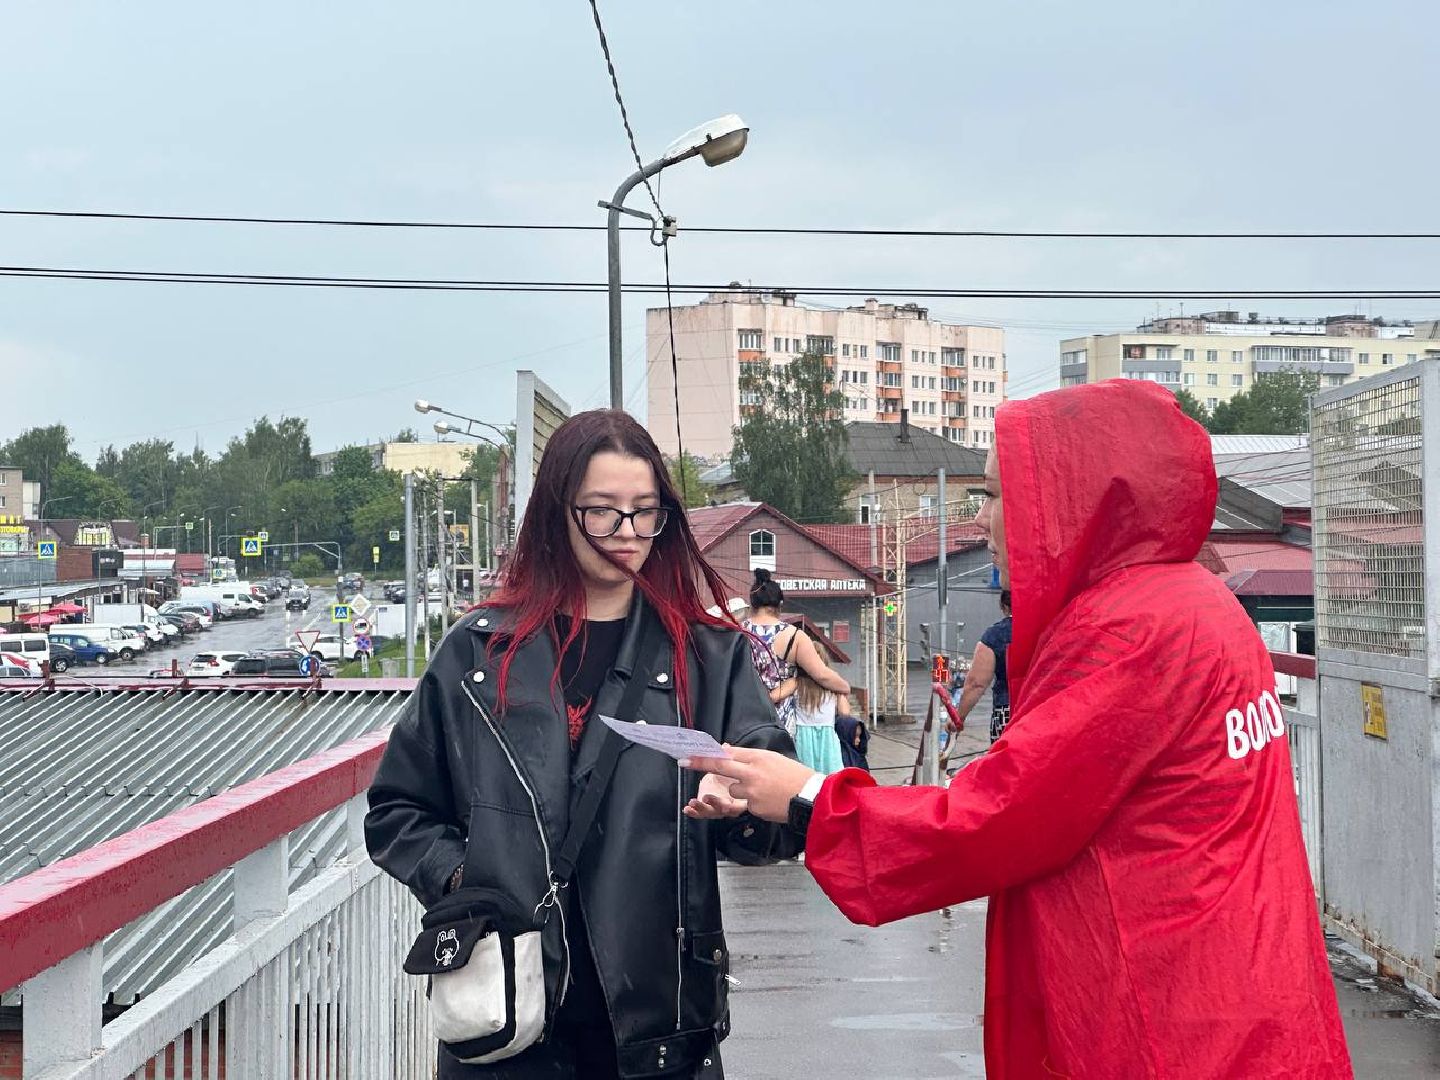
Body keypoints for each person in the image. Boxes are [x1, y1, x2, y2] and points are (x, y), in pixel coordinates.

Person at [683, 380, 1352, 1078]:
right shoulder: (1197, 603)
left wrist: (809, 796)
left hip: (1164, 1018)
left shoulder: (1128, 629)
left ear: (1077, 500)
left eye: (1000, 497)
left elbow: (1001, 815)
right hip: (1239, 989)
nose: (988, 522)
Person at [366, 409, 801, 1079]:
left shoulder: (708, 657)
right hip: (506, 1020)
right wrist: (466, 878)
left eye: (644, 512)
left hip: (660, 1025)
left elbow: (774, 807)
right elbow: (398, 809)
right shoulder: (479, 655)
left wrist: (742, 800)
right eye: (602, 512)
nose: (627, 535)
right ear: (556, 514)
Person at [741, 569, 849, 730]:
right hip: (782, 723)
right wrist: (844, 687)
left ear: (752, 603)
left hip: (742, 717)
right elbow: (821, 675)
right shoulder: (795, 636)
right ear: (780, 604)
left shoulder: (735, 631)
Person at [949, 590, 1012, 743]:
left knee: (1005, 764)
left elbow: (976, 684)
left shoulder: (995, 635)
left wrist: (959, 718)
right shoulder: (1051, 626)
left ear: (1004, 607)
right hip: (1047, 711)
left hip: (1008, 711)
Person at [789, 668, 849, 775]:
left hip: (809, 736)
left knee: (807, 779)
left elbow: (774, 696)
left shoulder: (797, 682)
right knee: (828, 779)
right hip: (820, 737)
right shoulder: (798, 682)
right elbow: (844, 712)